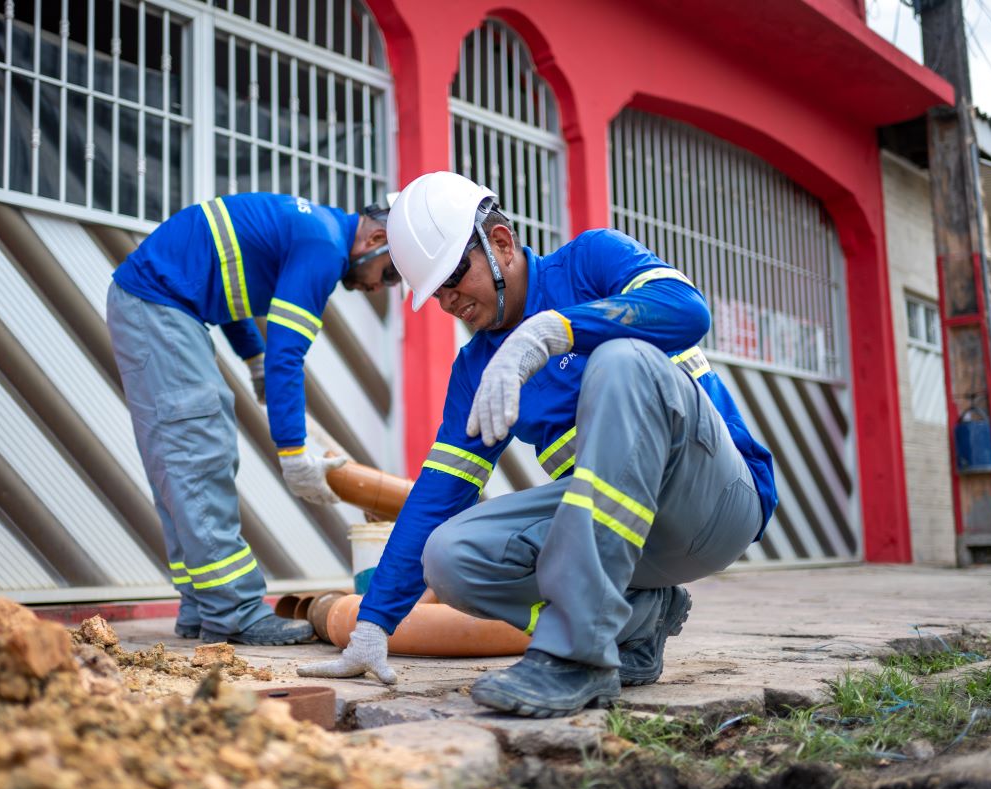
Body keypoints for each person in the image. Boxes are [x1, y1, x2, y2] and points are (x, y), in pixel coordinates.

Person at [298, 172, 776, 716]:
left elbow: (687, 310)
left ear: (500, 241)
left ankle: (575, 657)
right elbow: (437, 498)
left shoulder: (592, 261)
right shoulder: (477, 368)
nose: (450, 302)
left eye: (455, 277)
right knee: (451, 556)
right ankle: (639, 623)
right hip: (633, 541)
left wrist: (553, 330)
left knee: (622, 359)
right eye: (437, 294)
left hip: (717, 504)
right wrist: (373, 624)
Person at [107, 192, 398, 645]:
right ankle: (237, 612)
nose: (381, 287)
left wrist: (252, 357)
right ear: (376, 238)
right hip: (160, 305)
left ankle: (203, 606)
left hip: (154, 303)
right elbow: (289, 353)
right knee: (198, 454)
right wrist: (294, 452)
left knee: (178, 462)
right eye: (390, 273)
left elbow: (227, 288)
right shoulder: (323, 247)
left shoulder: (310, 226)